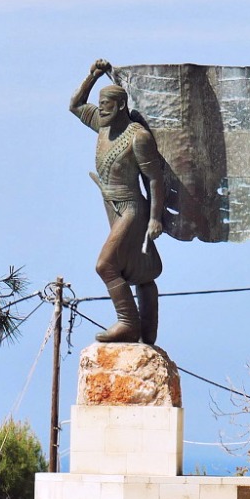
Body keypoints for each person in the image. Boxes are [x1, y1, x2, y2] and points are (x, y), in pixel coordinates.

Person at [69, 59, 166, 344]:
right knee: (139, 268)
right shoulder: (102, 125)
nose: (102, 109)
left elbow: (155, 179)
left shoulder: (138, 137)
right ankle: (148, 333)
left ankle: (128, 322)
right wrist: (93, 76)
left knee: (106, 265)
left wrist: (155, 217)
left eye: (107, 104)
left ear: (121, 106)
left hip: (133, 209)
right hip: (111, 205)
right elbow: (74, 106)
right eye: (100, 104)